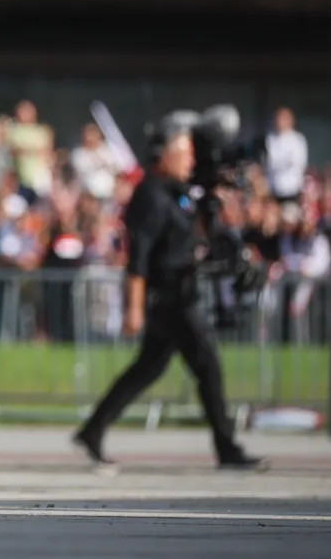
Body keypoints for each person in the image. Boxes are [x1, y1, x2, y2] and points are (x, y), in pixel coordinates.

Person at [72, 127, 265, 472]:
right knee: (207, 364)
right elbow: (140, 256)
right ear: (164, 157)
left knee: (148, 368)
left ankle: (92, 429)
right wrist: (133, 307)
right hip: (170, 298)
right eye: (185, 153)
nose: (191, 160)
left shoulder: (176, 192)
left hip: (180, 292)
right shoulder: (150, 195)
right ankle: (227, 447)